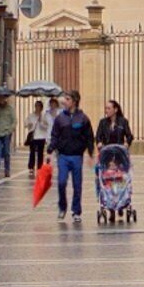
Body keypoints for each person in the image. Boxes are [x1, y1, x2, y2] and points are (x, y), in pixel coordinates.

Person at [46, 96, 95, 224]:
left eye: (67, 99)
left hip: (77, 156)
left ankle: (76, 211)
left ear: (74, 102)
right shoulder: (60, 118)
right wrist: (50, 151)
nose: (64, 101)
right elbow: (55, 135)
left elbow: (89, 137)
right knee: (61, 182)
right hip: (63, 156)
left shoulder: (83, 118)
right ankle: (62, 207)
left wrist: (90, 153)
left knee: (77, 185)